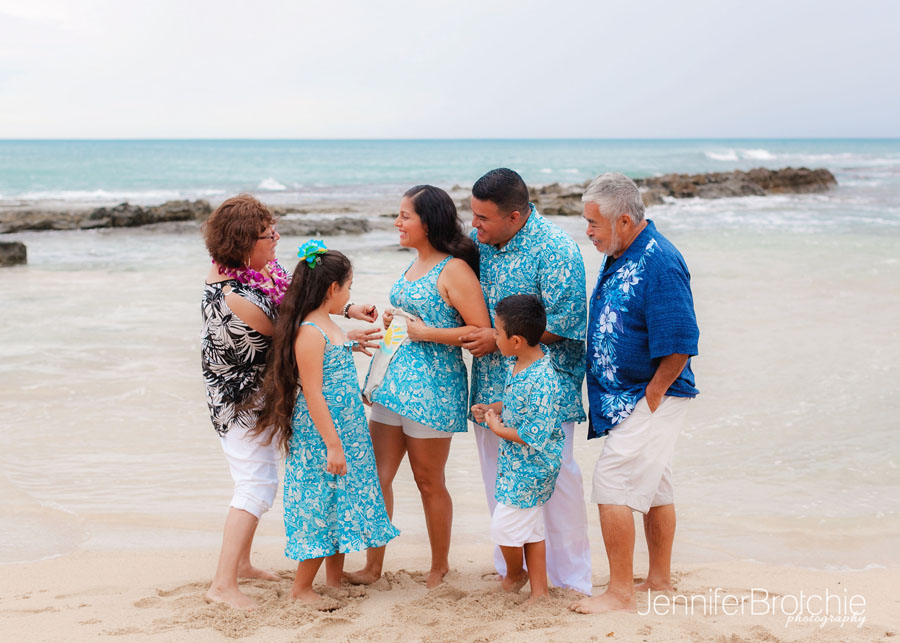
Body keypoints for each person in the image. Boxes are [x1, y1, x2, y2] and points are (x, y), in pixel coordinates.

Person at [201, 195, 380, 610]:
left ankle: (242, 564)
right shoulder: (232, 295)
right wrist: (339, 340)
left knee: (258, 482)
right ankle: (222, 584)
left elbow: (300, 299)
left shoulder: (260, 269)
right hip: (241, 403)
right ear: (243, 243)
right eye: (268, 235)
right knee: (256, 485)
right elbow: (291, 333)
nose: (276, 239)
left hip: (270, 395)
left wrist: (347, 311)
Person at [347, 185, 491, 588]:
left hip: (433, 391)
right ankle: (373, 565)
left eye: (405, 216)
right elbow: (411, 328)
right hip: (392, 384)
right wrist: (391, 336)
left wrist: (427, 332)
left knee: (429, 480)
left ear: (428, 222)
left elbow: (481, 330)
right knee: (377, 476)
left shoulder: (454, 269)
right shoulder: (413, 266)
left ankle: (439, 566)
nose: (397, 223)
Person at [569, 173, 699, 614]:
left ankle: (620, 594)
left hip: (648, 395)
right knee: (656, 485)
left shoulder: (660, 261)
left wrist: (654, 394)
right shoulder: (624, 250)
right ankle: (658, 581)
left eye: (593, 223)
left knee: (612, 486)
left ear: (624, 220)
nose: (587, 231)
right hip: (626, 395)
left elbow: (681, 339)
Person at [459, 168, 592, 595]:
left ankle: (570, 578)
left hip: (546, 389)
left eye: (482, 218)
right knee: (498, 480)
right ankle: (511, 571)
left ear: (515, 216)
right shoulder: (484, 245)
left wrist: (497, 341)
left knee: (555, 480)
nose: (473, 225)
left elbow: (567, 323)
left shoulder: (556, 249)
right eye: (472, 215)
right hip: (492, 388)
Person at [253, 242, 399, 605]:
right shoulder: (309, 332)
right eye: (347, 288)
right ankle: (301, 588)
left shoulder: (328, 325)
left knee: (341, 503)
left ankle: (333, 580)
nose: (349, 295)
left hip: (347, 428)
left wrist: (349, 353)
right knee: (320, 505)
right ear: (332, 289)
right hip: (324, 434)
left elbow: (332, 365)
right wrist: (333, 444)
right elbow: (313, 393)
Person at [471, 295, 564, 602]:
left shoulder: (543, 379)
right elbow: (513, 405)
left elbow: (534, 434)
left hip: (533, 467)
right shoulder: (519, 363)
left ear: (516, 340)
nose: (493, 337)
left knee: (504, 527)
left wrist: (497, 429)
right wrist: (492, 408)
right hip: (517, 465)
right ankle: (540, 591)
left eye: (497, 333)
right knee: (532, 529)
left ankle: (515, 574)